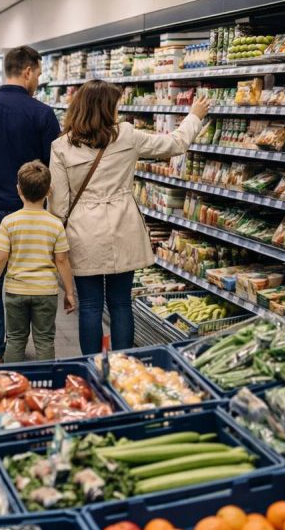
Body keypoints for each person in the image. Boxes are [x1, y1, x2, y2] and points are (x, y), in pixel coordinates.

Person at [49, 80, 210, 355]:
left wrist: (57, 243)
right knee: (121, 303)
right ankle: (124, 364)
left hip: (83, 231)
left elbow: (59, 205)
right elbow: (175, 144)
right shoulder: (127, 135)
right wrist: (194, 116)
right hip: (123, 225)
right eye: (115, 104)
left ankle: (91, 365)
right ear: (106, 108)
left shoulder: (61, 146)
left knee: (90, 305)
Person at [0, 45, 61, 365]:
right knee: (33, 271)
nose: (39, 81)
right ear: (28, 71)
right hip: (31, 209)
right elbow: (53, 165)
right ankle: (33, 340)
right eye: (39, 74)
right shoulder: (43, 114)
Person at [0, 161, 77, 363]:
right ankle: (47, 383)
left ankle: (14, 382)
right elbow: (62, 260)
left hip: (16, 290)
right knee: (44, 340)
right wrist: (69, 292)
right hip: (45, 291)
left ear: (18, 190)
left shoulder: (9, 222)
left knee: (15, 339)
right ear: (49, 191)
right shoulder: (55, 224)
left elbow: (0, 257)